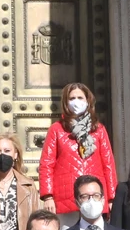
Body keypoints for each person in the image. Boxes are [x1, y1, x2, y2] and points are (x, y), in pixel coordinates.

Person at [37, 82, 117, 215]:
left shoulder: (99, 130)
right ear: (65, 102)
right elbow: (46, 164)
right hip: (65, 197)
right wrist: (48, 196)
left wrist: (111, 198)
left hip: (94, 196)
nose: (76, 102)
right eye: (72, 98)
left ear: (88, 101)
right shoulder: (57, 129)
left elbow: (108, 165)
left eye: (80, 98)